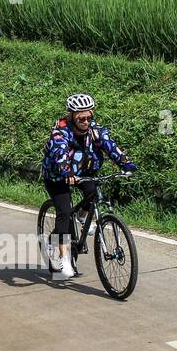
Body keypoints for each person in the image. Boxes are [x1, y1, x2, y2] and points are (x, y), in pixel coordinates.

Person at [41, 93, 136, 281]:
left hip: (85, 173)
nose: (85, 121)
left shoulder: (96, 132)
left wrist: (126, 164)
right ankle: (64, 258)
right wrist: (66, 173)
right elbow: (60, 154)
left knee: (93, 192)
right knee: (64, 212)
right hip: (58, 177)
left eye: (88, 117)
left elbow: (111, 147)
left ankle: (82, 217)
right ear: (72, 116)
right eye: (81, 118)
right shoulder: (60, 133)